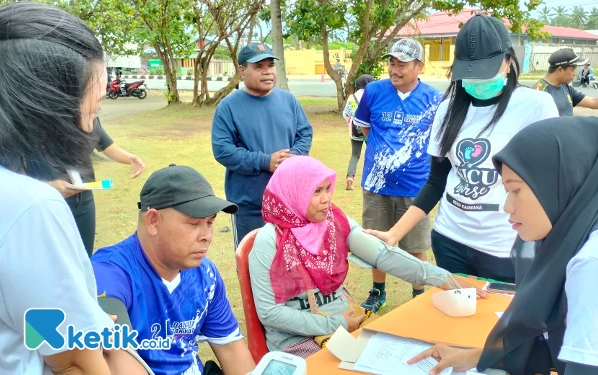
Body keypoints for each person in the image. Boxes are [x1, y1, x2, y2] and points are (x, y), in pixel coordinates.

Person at [0, 3, 144, 373]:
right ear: (47, 108)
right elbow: (77, 360)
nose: (89, 128)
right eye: (92, 110)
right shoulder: (31, 207)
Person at [366, 14, 559, 285]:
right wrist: (394, 234)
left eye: (486, 69)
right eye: (470, 71)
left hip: (505, 246)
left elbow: (551, 183)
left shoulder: (537, 106)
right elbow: (436, 180)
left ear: (508, 61)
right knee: (456, 317)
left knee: (499, 324)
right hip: (450, 240)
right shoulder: (448, 108)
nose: (478, 79)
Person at [407, 117, 598, 375]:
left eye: (515, 190)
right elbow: (563, 352)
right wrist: (475, 357)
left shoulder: (590, 266)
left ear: (562, 184)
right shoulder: (581, 239)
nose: (507, 207)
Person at [249, 155, 485, 358]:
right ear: (294, 193)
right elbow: (270, 313)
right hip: (297, 341)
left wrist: (442, 278)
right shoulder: (269, 241)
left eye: (327, 189)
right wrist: (336, 323)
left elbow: (383, 255)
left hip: (345, 324)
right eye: (316, 192)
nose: (327, 198)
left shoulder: (333, 222)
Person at [91, 164, 256, 375]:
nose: (206, 235)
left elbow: (233, 351)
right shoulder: (109, 273)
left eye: (210, 222)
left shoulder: (206, 275)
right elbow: (117, 358)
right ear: (153, 221)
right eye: (194, 223)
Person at [353, 38, 444, 309]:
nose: (395, 69)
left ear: (419, 66)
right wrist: (384, 155)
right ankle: (378, 291)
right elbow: (365, 128)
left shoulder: (434, 99)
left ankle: (419, 296)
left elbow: (438, 140)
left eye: (402, 64)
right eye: (392, 63)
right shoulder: (373, 91)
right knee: (375, 244)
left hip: (416, 188)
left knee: (416, 246)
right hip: (376, 185)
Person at [212, 43, 313, 251]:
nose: (267, 71)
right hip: (250, 206)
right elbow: (223, 150)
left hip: (288, 202)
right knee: (252, 267)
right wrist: (265, 162)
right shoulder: (228, 107)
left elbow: (304, 133)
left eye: (270, 65)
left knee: (289, 264)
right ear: (242, 70)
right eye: (259, 66)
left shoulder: (288, 100)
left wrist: (293, 157)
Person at [47, 117, 145, 257]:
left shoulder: (90, 116)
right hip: (53, 201)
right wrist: (49, 185)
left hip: (84, 199)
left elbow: (107, 146)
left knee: (85, 257)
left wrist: (130, 158)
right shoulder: (46, 117)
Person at [534, 48, 598, 116]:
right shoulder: (539, 92)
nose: (575, 74)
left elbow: (593, 102)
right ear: (560, 70)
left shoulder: (565, 87)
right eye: (572, 70)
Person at [342, 74, 374, 190]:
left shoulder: (352, 97)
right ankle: (371, 179)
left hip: (355, 131)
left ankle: (350, 177)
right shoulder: (370, 96)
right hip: (369, 130)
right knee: (372, 153)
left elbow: (345, 114)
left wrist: (351, 122)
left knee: (355, 155)